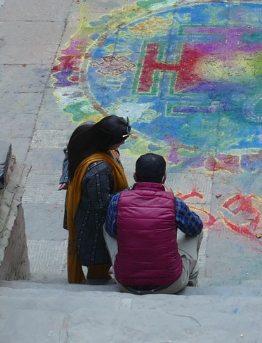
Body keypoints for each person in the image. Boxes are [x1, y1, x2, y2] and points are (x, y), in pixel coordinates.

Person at [105, 152, 203, 295]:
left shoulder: (117, 201)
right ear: (164, 178)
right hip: (169, 284)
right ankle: (190, 280)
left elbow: (111, 230)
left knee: (108, 225)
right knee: (196, 229)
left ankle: (116, 265)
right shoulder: (174, 203)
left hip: (126, 282)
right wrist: (170, 198)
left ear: (135, 177)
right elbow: (195, 228)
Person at [60, 115, 130, 284]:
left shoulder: (86, 132)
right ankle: (98, 279)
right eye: (120, 141)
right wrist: (129, 194)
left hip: (81, 203)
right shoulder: (99, 169)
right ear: (107, 141)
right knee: (98, 259)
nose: (122, 145)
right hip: (92, 221)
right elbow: (103, 203)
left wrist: (66, 176)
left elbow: (70, 152)